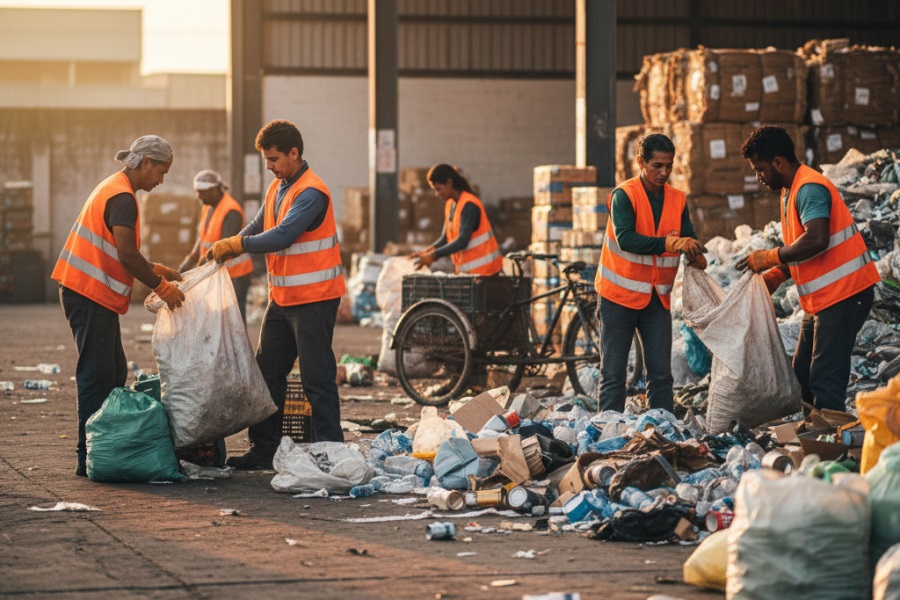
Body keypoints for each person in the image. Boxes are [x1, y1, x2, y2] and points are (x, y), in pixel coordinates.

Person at [206, 119, 346, 469]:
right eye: (266, 159)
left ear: (294, 154)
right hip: (282, 300)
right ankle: (265, 449)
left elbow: (283, 235)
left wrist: (237, 245)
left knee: (317, 378)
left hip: (314, 300)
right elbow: (261, 225)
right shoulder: (278, 187)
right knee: (266, 373)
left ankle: (331, 453)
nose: (268, 166)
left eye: (273, 159)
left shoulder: (311, 193)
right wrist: (232, 243)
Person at [51, 135, 185, 477]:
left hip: (89, 293)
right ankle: (88, 454)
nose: (161, 180)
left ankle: (104, 446)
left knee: (113, 372)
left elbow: (119, 250)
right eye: (161, 171)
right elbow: (126, 254)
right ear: (145, 163)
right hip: (88, 293)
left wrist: (155, 268)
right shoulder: (123, 197)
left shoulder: (115, 188)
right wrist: (161, 287)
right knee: (97, 375)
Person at [737, 125, 879, 412]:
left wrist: (770, 257)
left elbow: (817, 239)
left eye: (760, 169)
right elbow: (801, 246)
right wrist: (778, 274)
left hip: (845, 295)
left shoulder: (809, 188)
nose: (758, 177)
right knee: (802, 374)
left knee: (825, 378)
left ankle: (831, 436)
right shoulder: (790, 191)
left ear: (779, 162)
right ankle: (813, 429)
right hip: (823, 299)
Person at [595, 133, 706, 413]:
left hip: (657, 299)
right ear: (641, 162)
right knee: (613, 376)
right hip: (618, 298)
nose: (664, 172)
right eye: (657, 166)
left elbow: (687, 234)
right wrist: (669, 244)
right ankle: (608, 427)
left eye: (669, 166)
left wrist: (694, 252)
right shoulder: (624, 196)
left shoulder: (677, 199)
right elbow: (626, 239)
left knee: (661, 376)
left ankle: (663, 427)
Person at [177, 170, 253, 323]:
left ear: (214, 190)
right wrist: (187, 264)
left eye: (202, 192)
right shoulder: (208, 206)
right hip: (218, 273)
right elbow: (202, 237)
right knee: (219, 321)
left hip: (236, 275)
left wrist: (199, 269)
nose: (199, 196)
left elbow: (225, 248)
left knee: (235, 322)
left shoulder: (231, 211)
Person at [409, 164, 503, 276]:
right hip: (470, 274)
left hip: (486, 272)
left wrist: (433, 255)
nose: (437, 194)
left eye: (438, 189)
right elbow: (445, 238)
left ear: (449, 183)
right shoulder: (451, 205)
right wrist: (426, 252)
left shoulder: (469, 205)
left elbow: (462, 241)